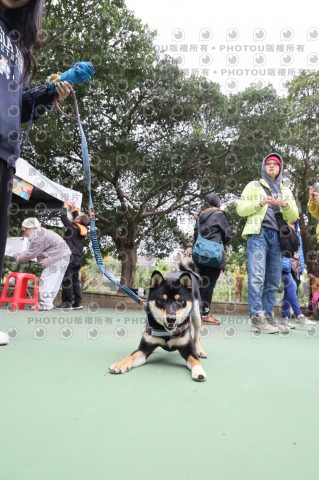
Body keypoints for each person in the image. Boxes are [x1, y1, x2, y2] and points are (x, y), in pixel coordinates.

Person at [0, 0, 71, 342]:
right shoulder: (39, 235)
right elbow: (31, 250)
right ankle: (45, 305)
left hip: (5, 154)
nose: (27, 230)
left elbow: (17, 106)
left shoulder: (18, 50)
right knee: (48, 281)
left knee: (48, 281)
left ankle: (47, 306)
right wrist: (23, 257)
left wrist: (45, 94)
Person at [237, 153, 299, 334]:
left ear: (280, 168)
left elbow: (294, 216)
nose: (271, 166)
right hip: (258, 235)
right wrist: (260, 202)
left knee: (273, 281)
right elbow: (240, 208)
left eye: (275, 164)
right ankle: (257, 319)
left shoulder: (285, 190)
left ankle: (268, 317)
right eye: (268, 163)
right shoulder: (253, 186)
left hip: (278, 238)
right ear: (264, 167)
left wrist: (286, 206)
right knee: (256, 277)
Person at [14, 218, 71, 311]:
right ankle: (47, 303)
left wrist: (18, 259)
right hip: (63, 256)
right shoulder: (40, 232)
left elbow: (32, 252)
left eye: (24, 229)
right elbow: (35, 250)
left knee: (46, 279)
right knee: (53, 282)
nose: (24, 231)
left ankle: (45, 304)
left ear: (28, 228)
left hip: (56, 257)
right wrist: (23, 253)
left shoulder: (37, 236)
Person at [193, 193, 233, 325]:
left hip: (199, 255)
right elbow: (228, 235)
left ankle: (195, 313)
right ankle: (204, 314)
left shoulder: (199, 216)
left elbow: (195, 236)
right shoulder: (219, 214)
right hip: (213, 255)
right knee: (209, 285)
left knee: (199, 284)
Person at [281, 220, 316, 328]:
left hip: (294, 266)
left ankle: (284, 319)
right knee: (292, 286)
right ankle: (299, 316)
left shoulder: (297, 232)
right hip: (283, 264)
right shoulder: (283, 228)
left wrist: (300, 267)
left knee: (288, 291)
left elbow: (299, 251)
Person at [56, 201, 90, 309]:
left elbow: (63, 218)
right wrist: (75, 210)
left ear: (78, 220)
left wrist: (65, 207)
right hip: (78, 258)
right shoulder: (84, 229)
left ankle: (67, 303)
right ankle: (77, 303)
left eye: (78, 216)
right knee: (75, 281)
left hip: (69, 256)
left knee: (68, 279)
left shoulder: (72, 226)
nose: (77, 216)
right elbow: (79, 221)